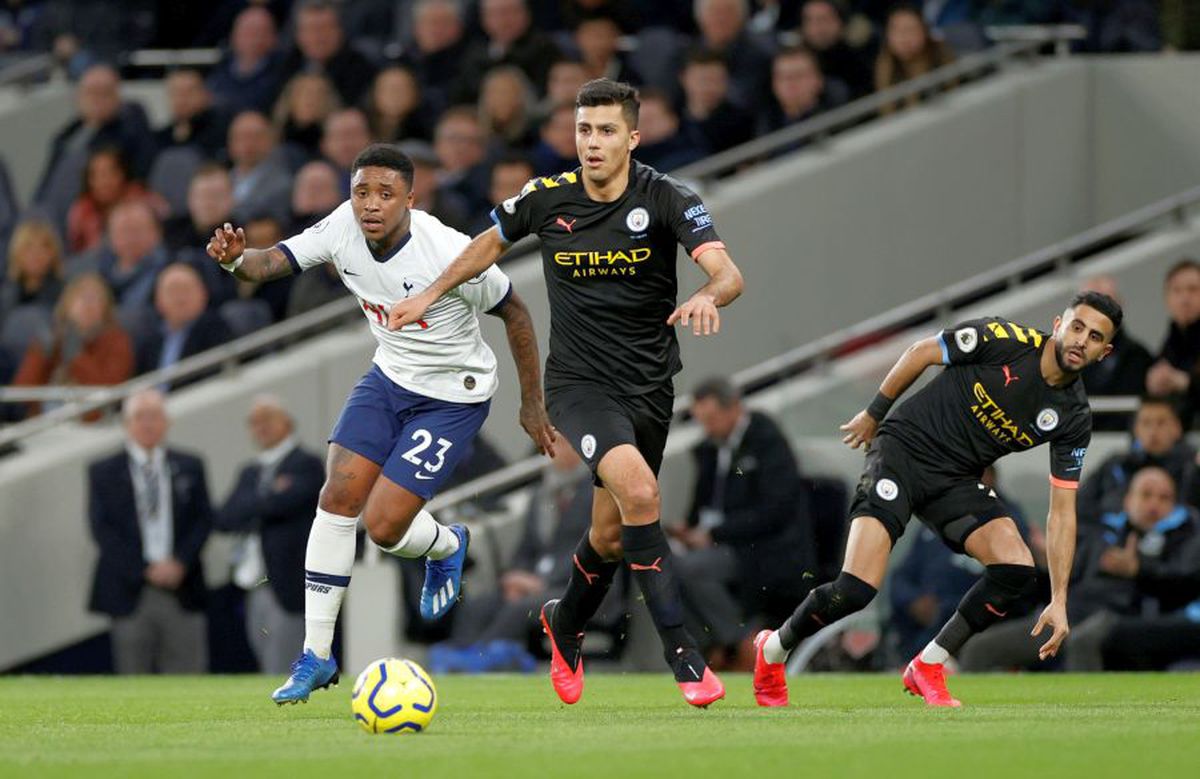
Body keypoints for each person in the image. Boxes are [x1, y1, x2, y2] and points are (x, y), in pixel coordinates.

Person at [388, 78, 745, 708]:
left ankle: (564, 623)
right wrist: (426, 294)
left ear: (633, 136)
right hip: (579, 386)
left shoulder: (667, 198)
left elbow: (727, 272)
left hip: (649, 390)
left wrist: (705, 295)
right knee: (641, 491)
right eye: (584, 130)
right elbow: (485, 246)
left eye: (607, 130)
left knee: (610, 535)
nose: (593, 142)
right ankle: (685, 657)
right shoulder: (545, 197)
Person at [205, 142, 554, 704]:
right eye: (362, 191)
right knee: (336, 498)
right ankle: (316, 656)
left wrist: (531, 403)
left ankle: (445, 545)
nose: (370, 204)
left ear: (410, 200)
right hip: (388, 378)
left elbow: (515, 311)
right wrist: (233, 261)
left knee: (386, 526)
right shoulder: (343, 225)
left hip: (452, 396)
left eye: (385, 194)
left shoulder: (447, 250)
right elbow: (273, 262)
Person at [752, 293, 1123, 708]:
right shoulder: (1005, 338)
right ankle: (772, 650)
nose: (1081, 340)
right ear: (1058, 323)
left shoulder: (1074, 417)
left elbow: (1062, 513)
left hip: (955, 482)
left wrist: (1059, 599)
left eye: (1094, 337)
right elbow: (921, 352)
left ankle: (929, 665)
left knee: (1016, 567)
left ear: (1103, 352)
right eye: (1077, 327)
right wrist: (874, 414)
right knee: (855, 589)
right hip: (902, 454)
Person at [960, 466, 1200, 672]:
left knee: (1084, 640)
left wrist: (1138, 569)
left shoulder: (1182, 536)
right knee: (978, 649)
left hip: (1122, 618)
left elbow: (1185, 583)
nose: (1153, 505)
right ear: (1128, 500)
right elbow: (1063, 584)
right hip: (1070, 614)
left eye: (1164, 498)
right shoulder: (1098, 535)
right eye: (1146, 495)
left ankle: (1083, 720)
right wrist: (1044, 566)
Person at [673, 377, 810, 668]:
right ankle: (714, 645)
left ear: (734, 407)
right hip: (720, 543)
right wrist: (690, 529)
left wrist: (714, 534)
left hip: (762, 549)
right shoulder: (708, 450)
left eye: (711, 418)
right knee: (662, 567)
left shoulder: (766, 440)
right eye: (701, 421)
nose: (707, 427)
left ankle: (739, 641)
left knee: (689, 568)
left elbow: (776, 510)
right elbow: (701, 506)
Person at [86, 388, 213, 673]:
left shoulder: (190, 466)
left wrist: (179, 562)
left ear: (167, 422)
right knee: (133, 679)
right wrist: (145, 569)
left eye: (154, 416)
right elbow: (102, 530)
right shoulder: (104, 471)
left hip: (183, 586)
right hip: (130, 589)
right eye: (140, 416)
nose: (147, 423)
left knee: (189, 677)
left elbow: (203, 520)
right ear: (126, 424)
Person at [216, 395, 324, 675]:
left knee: (284, 661)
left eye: (267, 419)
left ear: (287, 422)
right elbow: (225, 518)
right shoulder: (251, 471)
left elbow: (285, 503)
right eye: (254, 422)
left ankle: (287, 716)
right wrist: (269, 493)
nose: (260, 427)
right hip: (255, 582)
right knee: (263, 655)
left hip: (289, 580)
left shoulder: (306, 463)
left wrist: (257, 502)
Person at [12, 272, 134, 419]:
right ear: (67, 305)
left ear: (106, 308)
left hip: (95, 425)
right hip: (43, 423)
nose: (88, 305)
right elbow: (21, 392)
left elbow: (110, 392)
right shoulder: (53, 337)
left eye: (95, 299)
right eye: (81, 298)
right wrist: (41, 354)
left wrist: (77, 356)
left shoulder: (117, 340)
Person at [1076, 396, 1200, 524]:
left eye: (1161, 422)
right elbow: (1081, 504)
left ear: (1177, 428)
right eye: (1146, 423)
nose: (1153, 431)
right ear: (1136, 429)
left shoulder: (1192, 468)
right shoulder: (1116, 465)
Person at [1147, 258, 1200, 426]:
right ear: (1167, 298)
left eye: (1193, 290)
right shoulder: (1172, 339)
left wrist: (1186, 382)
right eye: (1176, 291)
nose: (1185, 298)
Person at [875, 5, 956, 114]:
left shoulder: (941, 53)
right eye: (897, 30)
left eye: (910, 29)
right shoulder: (885, 66)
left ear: (924, 31)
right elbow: (887, 112)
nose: (903, 37)